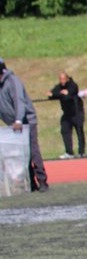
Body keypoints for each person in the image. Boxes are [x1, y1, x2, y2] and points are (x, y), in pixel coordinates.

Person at [0, 58, 49, 191]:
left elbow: (19, 101)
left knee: (33, 151)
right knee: (22, 154)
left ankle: (42, 181)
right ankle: (31, 183)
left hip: (26, 121)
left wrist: (18, 120)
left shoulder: (12, 81)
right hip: (13, 124)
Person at [48, 71, 85, 158]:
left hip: (77, 112)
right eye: (60, 79)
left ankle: (81, 152)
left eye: (63, 79)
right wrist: (61, 93)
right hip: (66, 114)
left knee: (79, 131)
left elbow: (70, 94)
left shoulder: (73, 85)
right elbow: (51, 94)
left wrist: (59, 94)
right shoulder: (59, 86)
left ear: (67, 79)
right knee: (65, 131)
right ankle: (69, 152)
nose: (62, 81)